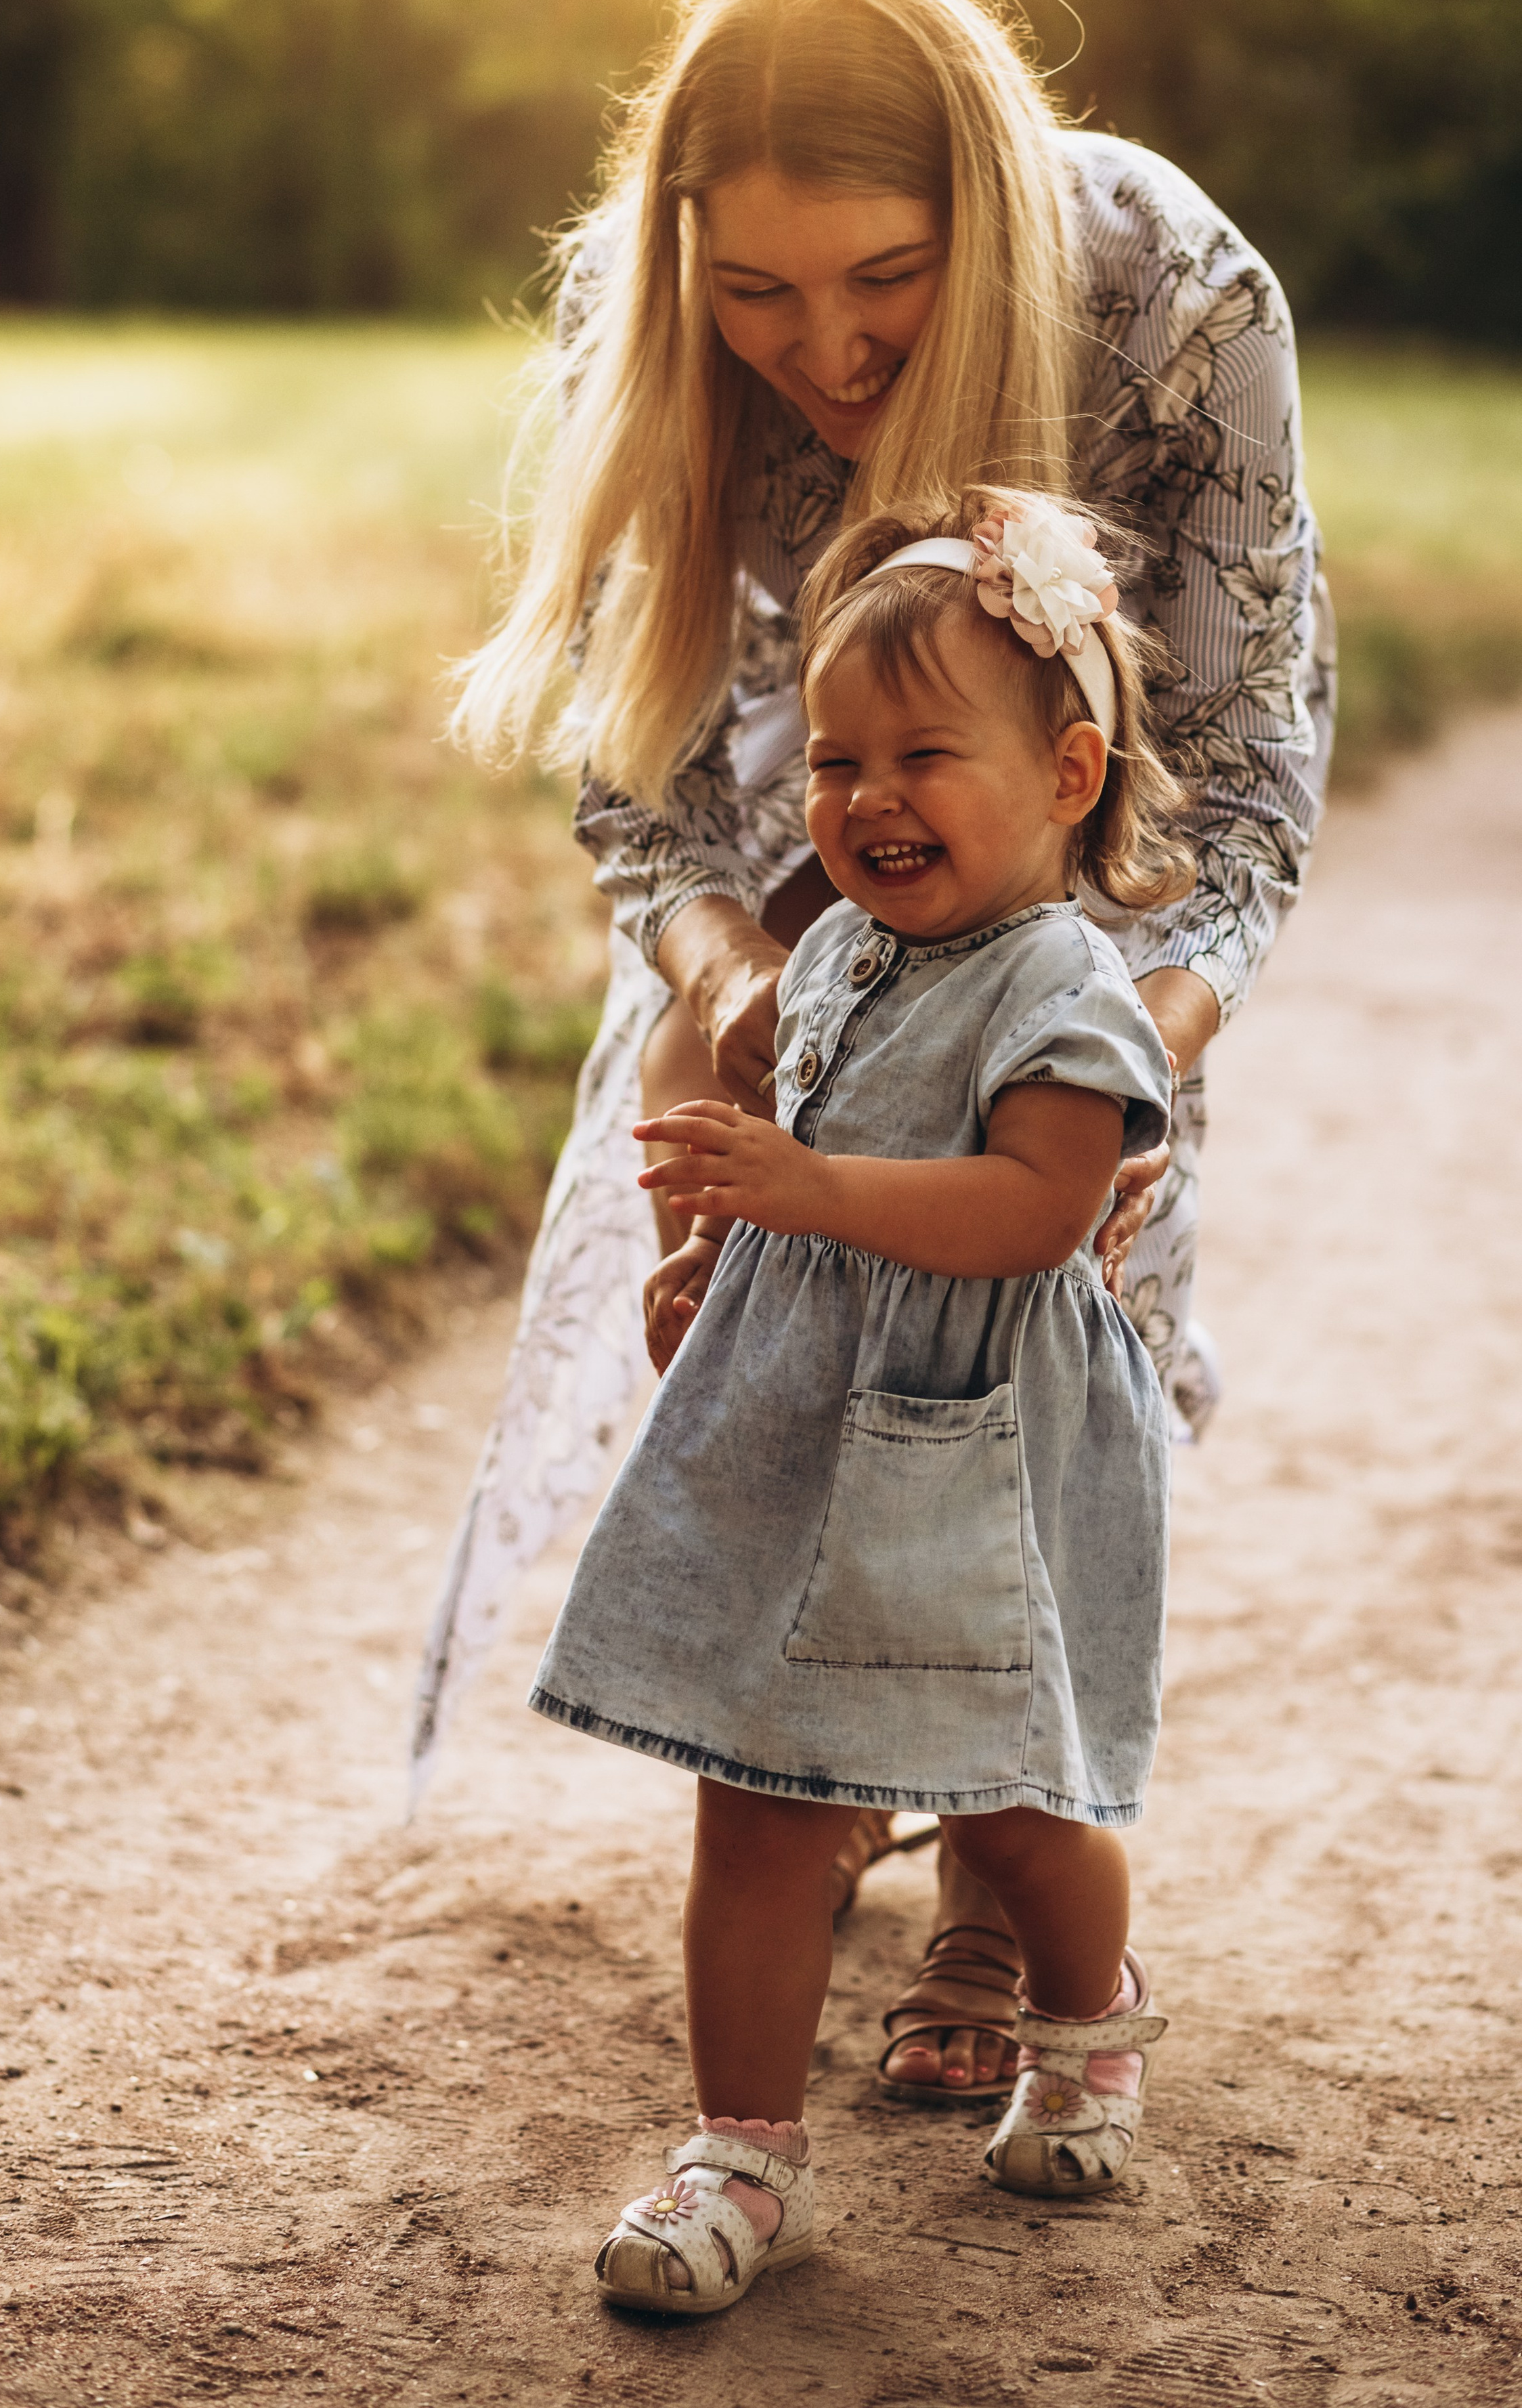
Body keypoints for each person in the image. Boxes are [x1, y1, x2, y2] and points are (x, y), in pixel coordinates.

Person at [413, 0, 1334, 2107]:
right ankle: (815, 1758)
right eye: (757, 296)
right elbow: (648, 782)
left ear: (986, 228)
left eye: (882, 282)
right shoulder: (671, 339)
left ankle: (1014, 1894)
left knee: (1039, 1359)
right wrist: (729, 990)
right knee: (766, 1350)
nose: (816, 348)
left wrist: (1107, 1077)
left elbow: (1248, 791)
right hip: (805, 859)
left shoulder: (1180, 308)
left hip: (1080, 909)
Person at [533, 493, 1184, 2312]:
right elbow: (813, 1160)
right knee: (752, 1789)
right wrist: (723, 1264)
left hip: (973, 1444)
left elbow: (1042, 1208)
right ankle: (744, 2148)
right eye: (833, 757)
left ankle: (1088, 2008)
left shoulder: (1065, 984)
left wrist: (810, 1199)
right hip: (812, 1425)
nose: (867, 796)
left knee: (1012, 1797)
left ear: (1066, 772)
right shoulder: (829, 956)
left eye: (922, 754)